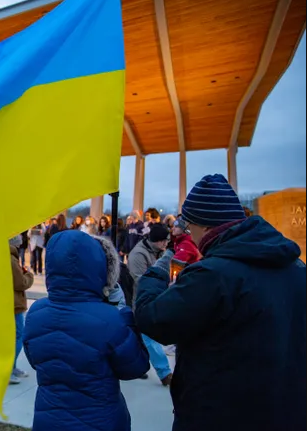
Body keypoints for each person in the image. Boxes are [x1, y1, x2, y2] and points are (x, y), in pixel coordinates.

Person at [136, 174, 306, 431]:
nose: (189, 234)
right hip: (287, 409)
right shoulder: (296, 267)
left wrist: (157, 271)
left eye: (189, 225)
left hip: (221, 411)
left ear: (204, 226)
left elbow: (153, 318)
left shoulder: (214, 275)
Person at [24, 231, 150, 431]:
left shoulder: (36, 313)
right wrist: (125, 315)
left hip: (48, 420)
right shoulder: (111, 319)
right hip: (100, 420)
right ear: (97, 266)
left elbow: (35, 361)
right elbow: (135, 367)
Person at [128, 224, 172, 386]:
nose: (166, 244)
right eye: (164, 241)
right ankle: (165, 373)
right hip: (141, 301)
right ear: (158, 241)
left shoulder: (158, 251)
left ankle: (135, 366)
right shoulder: (138, 255)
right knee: (148, 336)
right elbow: (140, 281)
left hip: (154, 298)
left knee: (138, 337)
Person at [9, 242, 34, 384]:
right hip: (14, 303)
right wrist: (29, 275)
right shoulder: (11, 259)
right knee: (19, 336)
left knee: (15, 336)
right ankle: (9, 369)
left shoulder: (6, 256)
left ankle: (12, 367)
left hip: (10, 302)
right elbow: (20, 283)